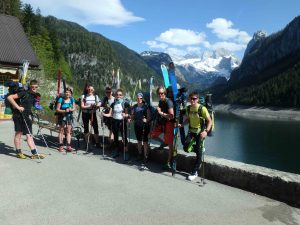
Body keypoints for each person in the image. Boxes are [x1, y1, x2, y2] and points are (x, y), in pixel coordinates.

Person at [179, 91, 212, 181]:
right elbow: (188, 120)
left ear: (197, 99)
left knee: (198, 154)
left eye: (194, 99)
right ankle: (199, 149)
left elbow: (209, 121)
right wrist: (182, 124)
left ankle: (194, 172)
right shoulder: (188, 108)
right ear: (189, 99)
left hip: (200, 132)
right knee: (186, 147)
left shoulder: (202, 109)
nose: (192, 100)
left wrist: (206, 131)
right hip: (191, 131)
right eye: (191, 99)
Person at [7, 80, 43, 159]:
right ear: (30, 86)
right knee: (18, 134)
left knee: (29, 135)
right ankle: (18, 152)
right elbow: (10, 97)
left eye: (36, 87)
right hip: (19, 115)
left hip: (27, 116)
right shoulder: (24, 93)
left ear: (38, 87)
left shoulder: (35, 95)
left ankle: (34, 153)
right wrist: (18, 107)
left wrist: (36, 107)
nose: (34, 88)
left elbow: (31, 104)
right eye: (32, 87)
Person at [151, 86, 174, 169]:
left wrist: (161, 113)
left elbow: (171, 116)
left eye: (162, 93)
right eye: (159, 93)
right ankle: (164, 142)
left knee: (170, 145)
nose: (160, 95)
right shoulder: (161, 101)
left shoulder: (169, 102)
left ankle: (168, 163)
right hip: (162, 122)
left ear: (165, 93)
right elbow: (159, 111)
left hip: (169, 124)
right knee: (152, 135)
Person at [103, 88, 130, 161]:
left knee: (124, 137)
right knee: (115, 137)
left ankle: (126, 152)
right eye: (117, 95)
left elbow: (127, 114)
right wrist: (103, 114)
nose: (118, 96)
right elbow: (110, 114)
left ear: (122, 96)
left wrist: (126, 115)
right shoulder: (113, 103)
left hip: (122, 122)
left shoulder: (125, 103)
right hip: (115, 121)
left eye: (120, 95)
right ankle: (117, 151)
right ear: (115, 95)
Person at [131, 93, 151, 163]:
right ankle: (140, 154)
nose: (139, 99)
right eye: (138, 98)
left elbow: (149, 118)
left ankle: (146, 156)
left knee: (145, 142)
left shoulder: (146, 107)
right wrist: (132, 116)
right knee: (139, 141)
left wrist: (146, 120)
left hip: (145, 126)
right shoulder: (134, 106)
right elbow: (132, 118)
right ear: (136, 98)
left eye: (141, 98)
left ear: (142, 99)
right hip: (137, 125)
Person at [55, 87, 76, 152]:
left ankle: (68, 145)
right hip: (62, 117)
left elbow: (74, 108)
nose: (67, 93)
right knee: (61, 131)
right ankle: (61, 145)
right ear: (64, 93)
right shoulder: (61, 99)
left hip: (69, 117)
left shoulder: (72, 99)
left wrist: (70, 109)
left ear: (71, 94)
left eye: (69, 92)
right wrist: (64, 111)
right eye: (66, 92)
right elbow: (57, 109)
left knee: (68, 131)